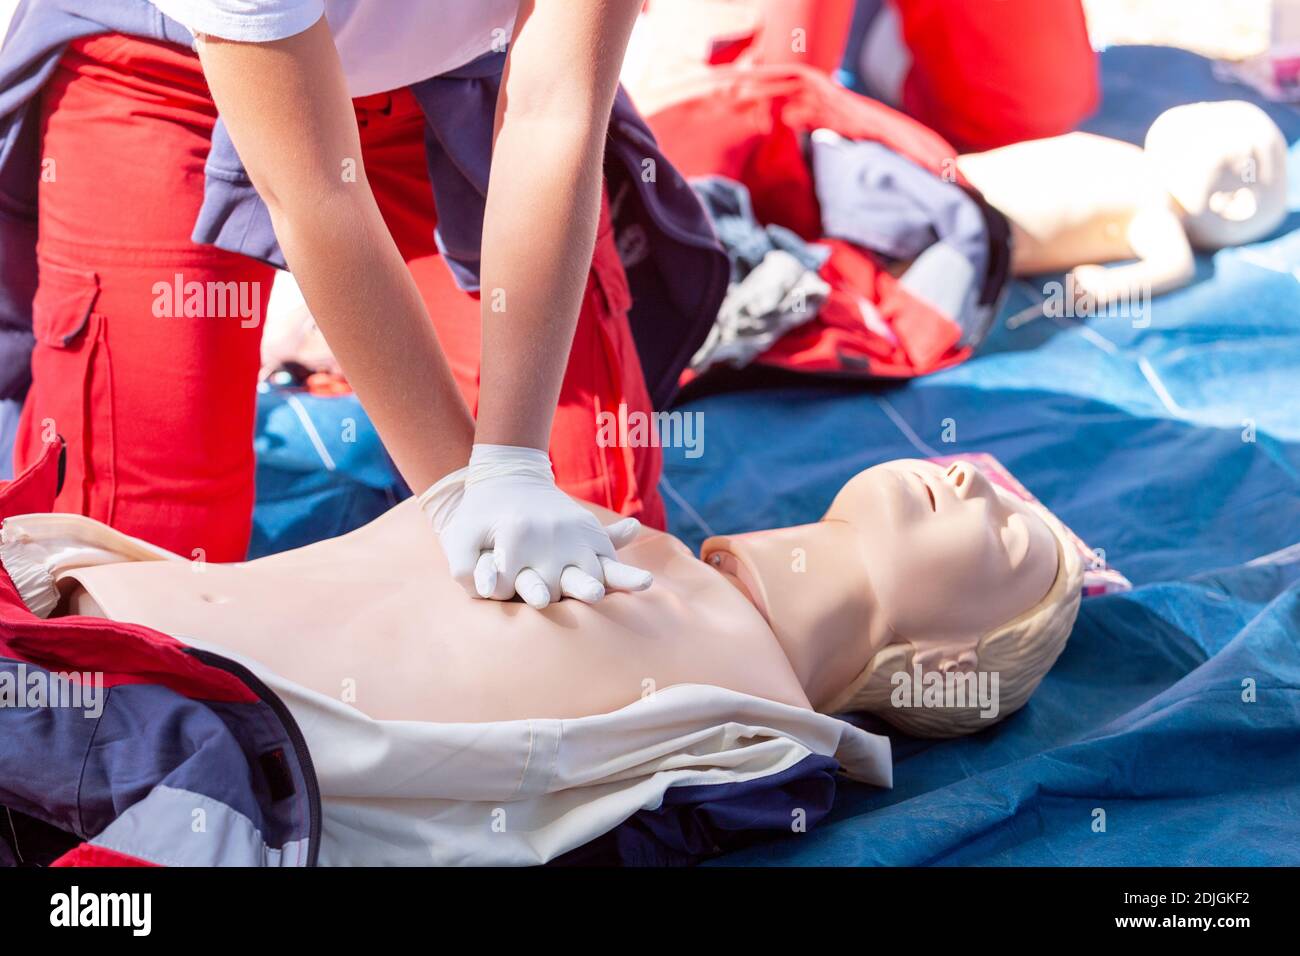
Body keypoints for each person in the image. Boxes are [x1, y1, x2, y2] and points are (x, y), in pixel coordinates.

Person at [0, 0, 729, 610]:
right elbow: (314, 191)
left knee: (597, 543)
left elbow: (552, 111)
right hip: (170, 75)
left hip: (468, 69)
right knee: (127, 585)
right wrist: (454, 492)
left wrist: (510, 465)